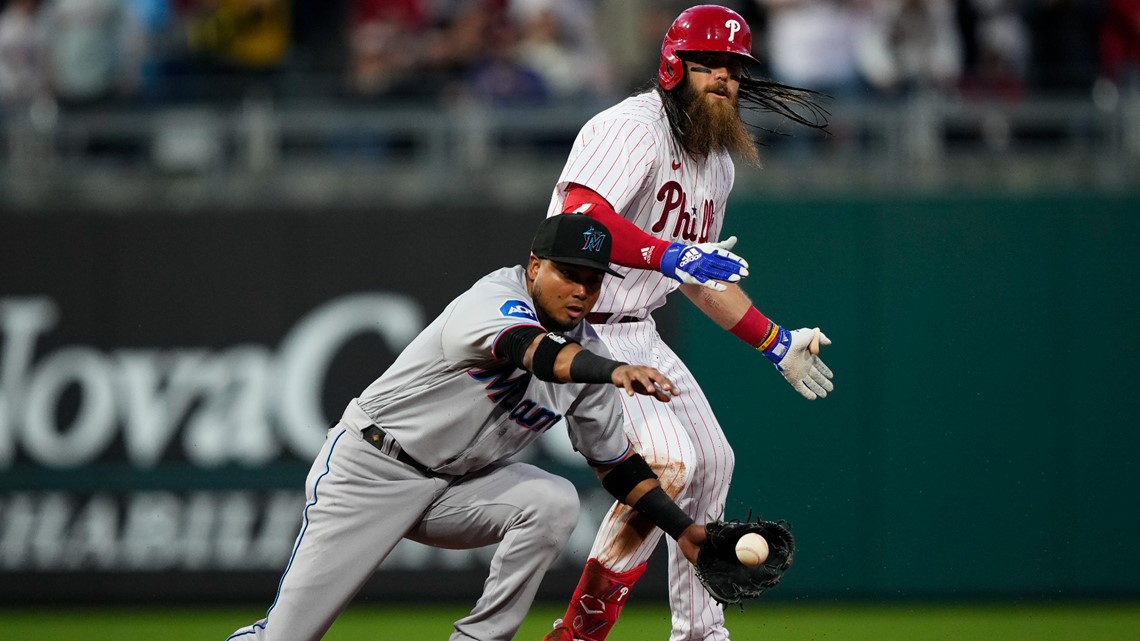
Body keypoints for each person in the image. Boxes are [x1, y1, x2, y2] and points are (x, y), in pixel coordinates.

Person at [224, 213, 712, 641]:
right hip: (371, 468)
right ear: (536, 265)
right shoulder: (493, 299)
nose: (581, 290)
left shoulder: (591, 357)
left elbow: (617, 465)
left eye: (593, 279)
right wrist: (613, 371)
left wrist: (684, 530)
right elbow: (533, 352)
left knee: (554, 501)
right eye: (568, 273)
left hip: (455, 490)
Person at [541, 5, 835, 641]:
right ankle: (579, 635)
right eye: (708, 64)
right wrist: (671, 253)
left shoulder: (717, 163)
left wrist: (774, 341)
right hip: (577, 320)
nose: (723, 78)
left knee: (714, 459)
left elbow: (701, 279)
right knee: (669, 462)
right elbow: (581, 221)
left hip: (636, 324)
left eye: (732, 67)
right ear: (674, 67)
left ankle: (702, 633)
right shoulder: (633, 126)